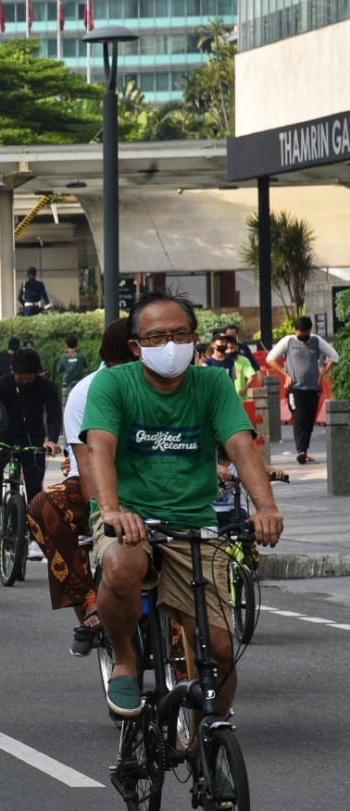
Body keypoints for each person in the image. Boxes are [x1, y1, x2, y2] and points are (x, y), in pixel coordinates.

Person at [82, 291, 283, 723]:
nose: (169, 345)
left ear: (194, 339)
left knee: (221, 649)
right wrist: (113, 510)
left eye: (179, 334)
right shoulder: (113, 384)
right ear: (136, 347)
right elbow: (99, 447)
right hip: (129, 517)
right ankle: (123, 660)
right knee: (120, 564)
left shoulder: (211, 384)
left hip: (194, 522)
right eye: (156, 338)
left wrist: (266, 507)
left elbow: (240, 444)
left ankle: (209, 740)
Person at [24, 318, 135, 657]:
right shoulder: (88, 391)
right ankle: (88, 606)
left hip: (163, 492)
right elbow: (88, 468)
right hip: (101, 491)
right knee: (44, 507)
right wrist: (105, 514)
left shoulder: (179, 385)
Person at [0, 348, 63, 549]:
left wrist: (52, 440)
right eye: (20, 378)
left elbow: (54, 415)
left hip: (34, 439)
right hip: (6, 434)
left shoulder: (47, 387)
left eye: (29, 378)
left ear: (37, 373)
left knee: (34, 490)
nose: (24, 381)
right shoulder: (3, 383)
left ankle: (34, 540)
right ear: (13, 371)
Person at [264, 315, 340, 464]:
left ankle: (304, 450)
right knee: (299, 418)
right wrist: (285, 375)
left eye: (305, 335)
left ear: (309, 331)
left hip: (313, 387)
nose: (302, 337)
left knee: (309, 420)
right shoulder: (288, 341)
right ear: (295, 330)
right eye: (300, 334)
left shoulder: (316, 340)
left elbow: (334, 356)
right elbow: (270, 359)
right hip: (295, 387)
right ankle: (301, 451)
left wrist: (322, 375)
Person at [56, 336, 87, 403]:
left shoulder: (64, 357)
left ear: (66, 345)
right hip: (79, 385)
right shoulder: (81, 357)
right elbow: (85, 366)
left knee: (66, 405)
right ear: (77, 344)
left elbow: (58, 369)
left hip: (67, 385)